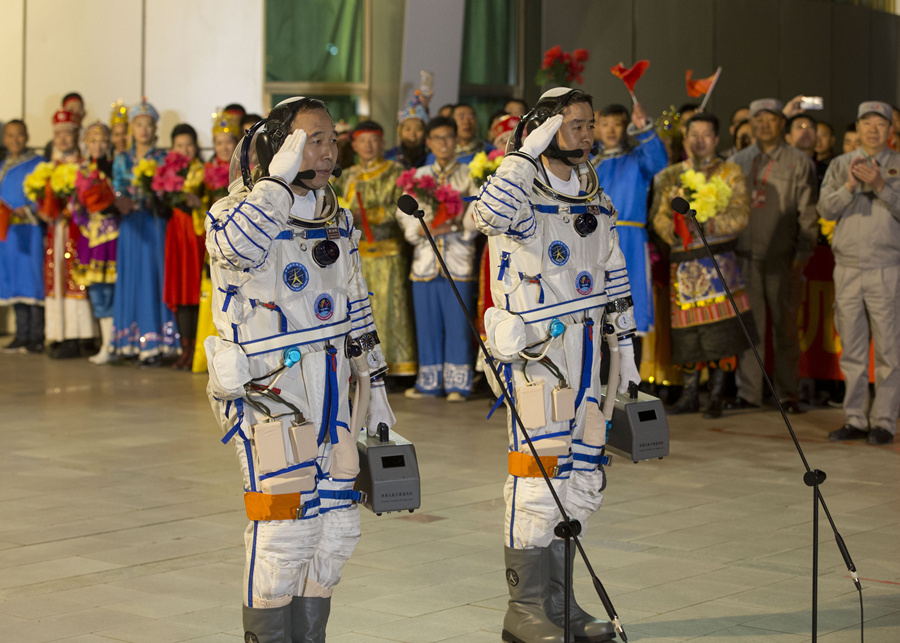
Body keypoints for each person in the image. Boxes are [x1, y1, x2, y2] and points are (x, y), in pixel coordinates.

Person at [205, 96, 395, 642]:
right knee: (285, 529)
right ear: (279, 146)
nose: (329, 151)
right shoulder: (233, 211)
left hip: (332, 386)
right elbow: (236, 251)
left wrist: (376, 386)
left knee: (336, 528)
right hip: (270, 390)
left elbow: (356, 304)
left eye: (332, 140)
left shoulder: (337, 218)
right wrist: (276, 182)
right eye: (313, 140)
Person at [473, 87, 638, 643]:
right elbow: (485, 215)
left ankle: (560, 603)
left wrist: (625, 347)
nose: (588, 135)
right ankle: (524, 609)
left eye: (590, 125)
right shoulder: (520, 192)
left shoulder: (593, 193)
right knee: (538, 479)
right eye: (575, 125)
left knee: (582, 476)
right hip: (538, 355)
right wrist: (524, 152)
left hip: (588, 352)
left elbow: (613, 268)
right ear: (545, 129)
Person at [651, 113, 757, 418]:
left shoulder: (730, 172)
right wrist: (674, 232)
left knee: (721, 332)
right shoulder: (670, 175)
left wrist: (705, 226)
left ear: (716, 138)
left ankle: (716, 396)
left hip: (718, 259)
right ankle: (689, 395)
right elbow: (658, 215)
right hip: (683, 264)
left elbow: (740, 214)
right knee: (687, 332)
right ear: (685, 138)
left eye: (706, 135)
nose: (699, 141)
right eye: (693, 134)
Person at [729, 98, 818, 413]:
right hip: (744, 258)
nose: (764, 124)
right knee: (749, 328)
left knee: (785, 328)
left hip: (783, 258)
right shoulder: (737, 161)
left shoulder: (799, 162)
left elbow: (809, 215)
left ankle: (787, 393)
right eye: (758, 119)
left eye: (771, 118)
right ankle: (749, 393)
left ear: (782, 123)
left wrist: (801, 256)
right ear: (750, 123)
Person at [818, 101, 900, 446]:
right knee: (851, 349)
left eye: (881, 124)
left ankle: (884, 421)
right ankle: (855, 418)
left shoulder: (897, 164)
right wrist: (850, 185)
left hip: (886, 267)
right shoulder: (840, 164)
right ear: (858, 127)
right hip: (848, 268)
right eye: (867, 123)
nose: (873, 129)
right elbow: (825, 209)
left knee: (889, 351)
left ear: (891, 129)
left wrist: (881, 184)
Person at [397, 116, 479, 401]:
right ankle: (428, 383)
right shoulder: (419, 176)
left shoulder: (469, 173)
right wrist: (420, 229)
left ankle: (458, 384)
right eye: (437, 138)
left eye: (449, 137)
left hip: (458, 257)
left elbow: (477, 209)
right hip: (425, 258)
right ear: (429, 142)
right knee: (427, 323)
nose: (444, 143)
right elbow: (403, 212)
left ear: (456, 140)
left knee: (458, 324)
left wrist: (455, 226)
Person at [333, 120, 416, 377]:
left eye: (374, 140)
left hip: (388, 252)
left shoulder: (396, 172)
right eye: (363, 140)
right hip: (356, 256)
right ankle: (365, 366)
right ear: (354, 144)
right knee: (360, 313)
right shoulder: (346, 176)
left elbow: (403, 207)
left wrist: (369, 214)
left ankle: (396, 366)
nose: (368, 145)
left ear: (383, 143)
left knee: (390, 311)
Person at [592, 102, 668, 364]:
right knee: (597, 303)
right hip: (596, 241)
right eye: (605, 124)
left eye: (617, 124)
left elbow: (659, 162)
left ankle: (629, 374)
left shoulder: (637, 159)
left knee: (627, 303)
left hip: (630, 242)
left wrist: (644, 128)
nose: (611, 130)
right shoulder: (591, 163)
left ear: (626, 127)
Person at [111, 99, 175, 366]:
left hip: (153, 224)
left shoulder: (162, 158)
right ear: (131, 128)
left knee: (152, 276)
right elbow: (116, 188)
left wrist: (156, 198)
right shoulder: (122, 158)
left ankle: (156, 342)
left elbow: (169, 188)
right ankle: (128, 341)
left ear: (155, 128)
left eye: (148, 125)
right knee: (131, 277)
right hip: (130, 224)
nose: (144, 130)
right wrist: (119, 200)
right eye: (138, 125)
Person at [40, 109, 95, 359]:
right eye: (58, 134)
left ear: (76, 135)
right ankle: (59, 334)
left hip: (78, 230)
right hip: (57, 230)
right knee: (57, 279)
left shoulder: (85, 165)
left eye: (68, 134)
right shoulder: (49, 168)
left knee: (77, 279)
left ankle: (81, 335)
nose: (63, 139)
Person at [72, 121, 119, 364]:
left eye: (102, 140)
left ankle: (113, 344)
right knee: (97, 291)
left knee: (110, 289)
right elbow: (76, 205)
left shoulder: (114, 168)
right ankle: (105, 343)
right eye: (92, 141)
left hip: (111, 235)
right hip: (90, 235)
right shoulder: (81, 170)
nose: (97, 145)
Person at [162, 123, 206, 370]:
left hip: (196, 234)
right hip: (176, 234)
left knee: (195, 289)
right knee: (180, 290)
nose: (185, 150)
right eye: (179, 145)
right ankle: (185, 348)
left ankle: (197, 349)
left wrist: (197, 201)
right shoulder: (167, 172)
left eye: (189, 145)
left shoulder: (204, 171)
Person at [0, 120, 45, 353]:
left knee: (32, 279)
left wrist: (28, 209)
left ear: (27, 136)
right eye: (10, 135)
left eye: (19, 135)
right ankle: (21, 334)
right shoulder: (2, 166)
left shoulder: (38, 164)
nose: (14, 140)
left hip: (30, 230)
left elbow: (45, 196)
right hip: (8, 234)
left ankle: (37, 335)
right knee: (13, 280)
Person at [385, 95, 429, 169]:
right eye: (408, 129)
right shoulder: (390, 158)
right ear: (400, 132)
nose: (412, 135)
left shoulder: (432, 158)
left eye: (418, 129)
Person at [786, 113, 828, 185]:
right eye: (800, 127)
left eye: (810, 127)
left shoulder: (827, 169)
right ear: (788, 137)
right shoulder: (779, 167)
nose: (805, 131)